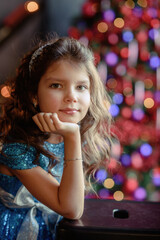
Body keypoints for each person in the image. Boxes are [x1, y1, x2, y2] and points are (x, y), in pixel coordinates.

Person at [0, 36, 112, 239]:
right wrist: (72, 137)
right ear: (34, 94)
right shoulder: (17, 149)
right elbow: (71, 209)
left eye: (81, 87)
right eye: (56, 86)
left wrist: (72, 137)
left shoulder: (73, 136)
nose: (72, 97)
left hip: (54, 231)